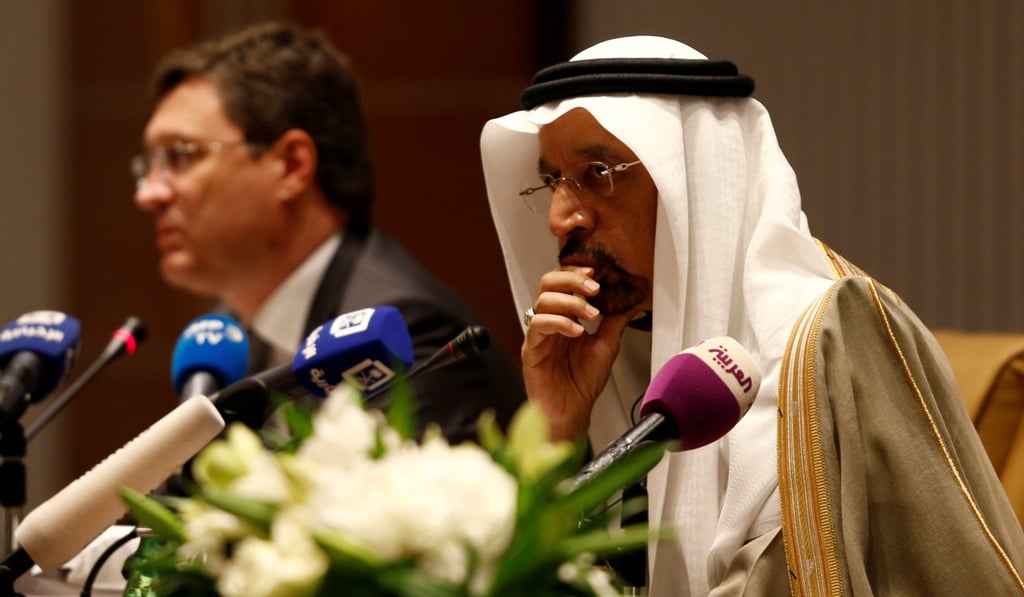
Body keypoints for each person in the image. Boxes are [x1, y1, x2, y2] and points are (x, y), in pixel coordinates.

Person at [480, 35, 1024, 595]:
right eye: (552, 182)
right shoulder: (609, 350)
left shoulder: (826, 339)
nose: (560, 218)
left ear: (690, 180)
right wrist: (557, 428)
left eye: (598, 173)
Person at [132, 20, 524, 443]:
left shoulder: (403, 333)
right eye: (148, 166)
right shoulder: (226, 341)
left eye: (180, 156)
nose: (149, 194)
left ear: (292, 165)